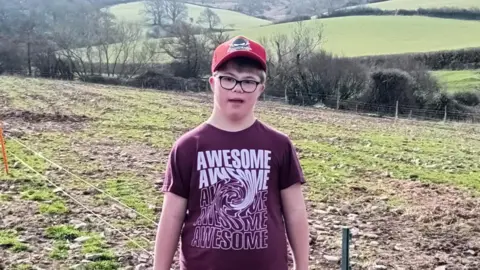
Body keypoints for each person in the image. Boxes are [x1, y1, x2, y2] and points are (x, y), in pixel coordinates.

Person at [153, 35, 310, 270]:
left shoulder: (279, 145)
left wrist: (303, 266)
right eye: (228, 79)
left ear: (261, 89)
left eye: (248, 81)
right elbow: (171, 218)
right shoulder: (187, 147)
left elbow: (296, 213)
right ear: (213, 83)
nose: (238, 88)